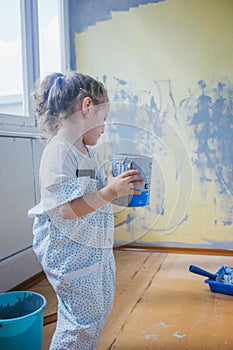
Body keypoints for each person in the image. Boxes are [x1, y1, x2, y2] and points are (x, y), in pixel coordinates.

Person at [28, 72, 143, 350]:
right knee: (82, 320)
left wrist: (115, 186)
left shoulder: (83, 149)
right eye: (103, 119)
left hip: (89, 247)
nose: (104, 127)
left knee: (98, 307)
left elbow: (88, 195)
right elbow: (66, 210)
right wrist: (109, 192)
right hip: (68, 251)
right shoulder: (59, 152)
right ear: (87, 106)